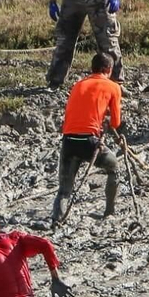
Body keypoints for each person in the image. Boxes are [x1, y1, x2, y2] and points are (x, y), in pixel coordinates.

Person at [52, 51, 123, 226]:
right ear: (108, 69)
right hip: (90, 143)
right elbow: (115, 122)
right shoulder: (113, 87)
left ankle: (57, 219)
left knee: (64, 190)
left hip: (68, 141)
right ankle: (109, 211)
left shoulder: (77, 85)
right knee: (114, 168)